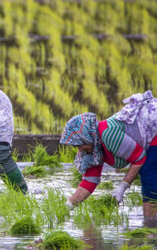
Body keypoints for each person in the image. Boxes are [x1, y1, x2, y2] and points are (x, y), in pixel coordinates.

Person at [60, 90, 157, 223]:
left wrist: (123, 187)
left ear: (87, 137)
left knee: (148, 172)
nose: (79, 149)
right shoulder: (95, 150)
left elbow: (139, 158)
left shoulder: (107, 134)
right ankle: (150, 224)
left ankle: (150, 226)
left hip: (153, 128)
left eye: (80, 145)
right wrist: (65, 208)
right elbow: (89, 182)